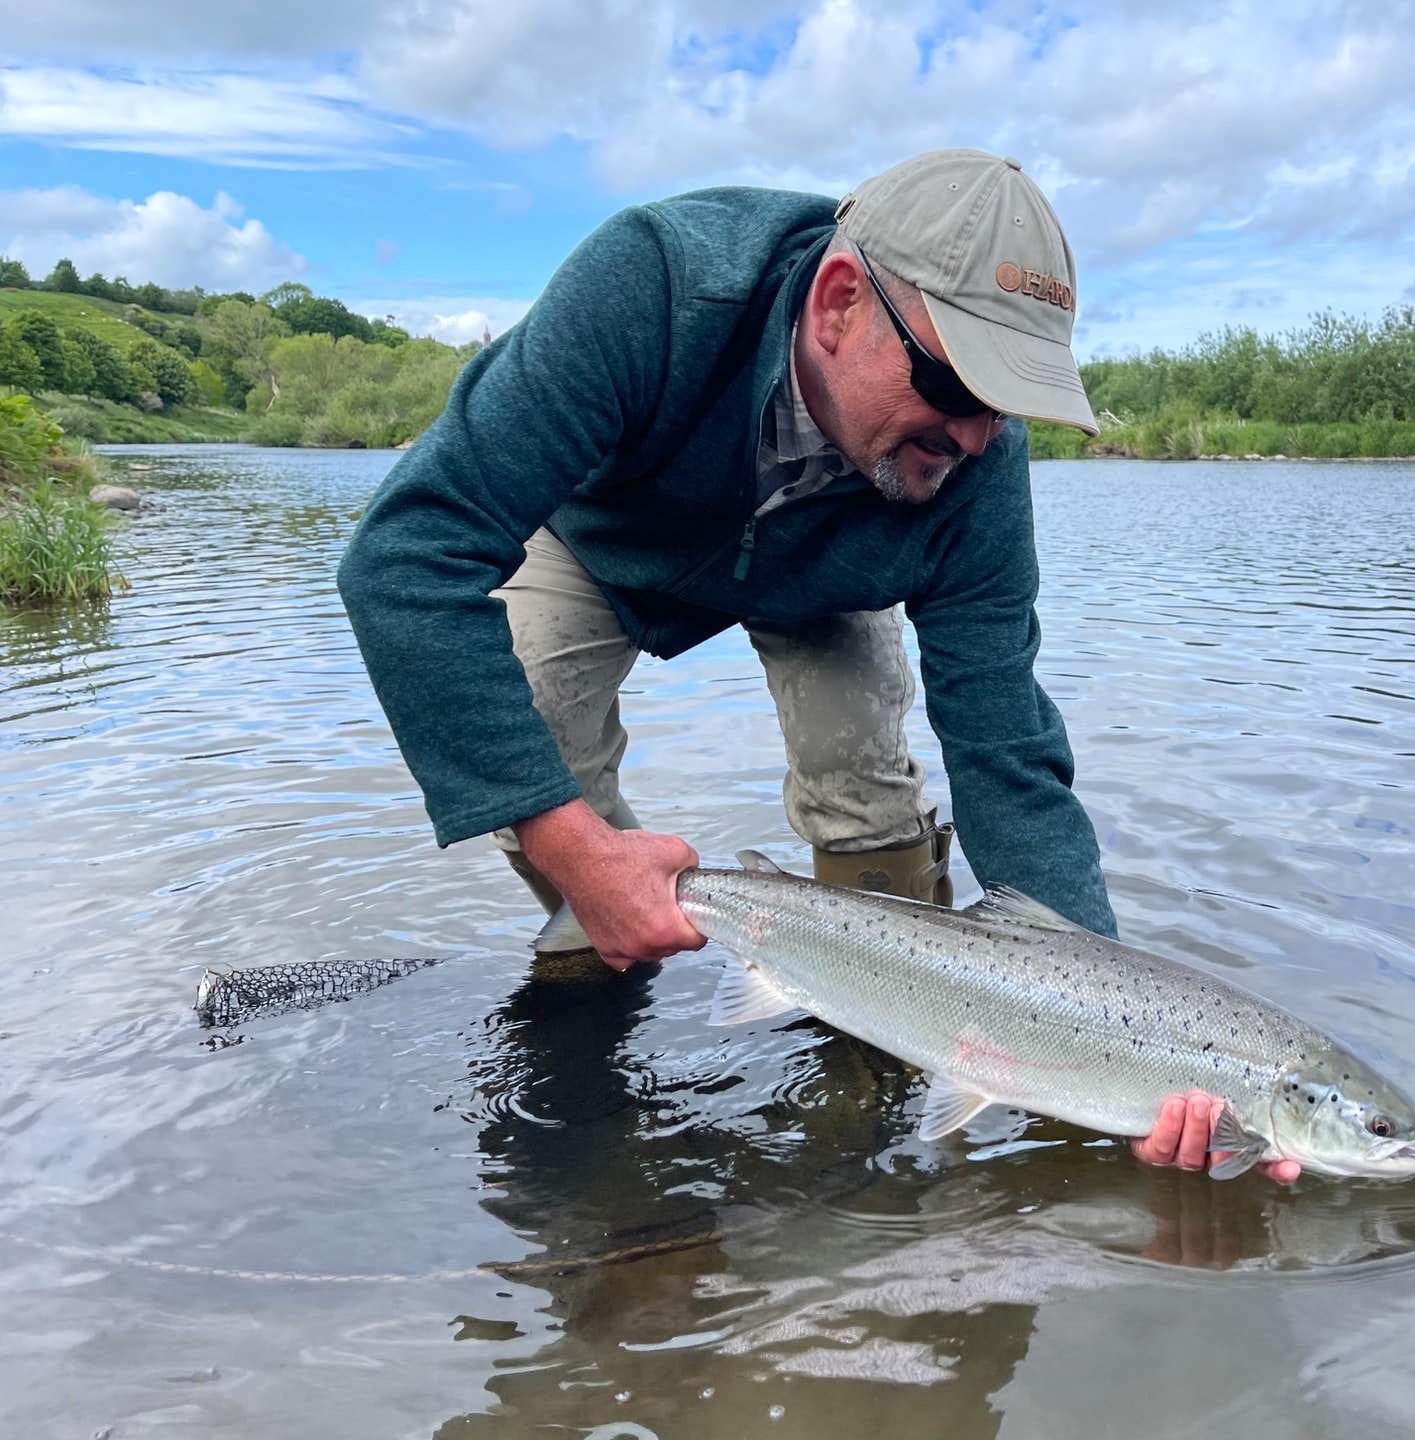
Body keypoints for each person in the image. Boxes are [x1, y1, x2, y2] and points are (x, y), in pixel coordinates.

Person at [336, 148, 1296, 1185]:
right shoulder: (657, 283)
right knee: (539, 732)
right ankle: (595, 963)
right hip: (605, 538)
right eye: (955, 384)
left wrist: (1114, 1028)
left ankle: (877, 1059)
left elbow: (1005, 745)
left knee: (866, 787)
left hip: (827, 571)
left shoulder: (967, 466)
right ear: (838, 303)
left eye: (1005, 405)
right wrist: (568, 841)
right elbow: (407, 555)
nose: (973, 438)